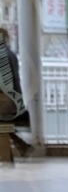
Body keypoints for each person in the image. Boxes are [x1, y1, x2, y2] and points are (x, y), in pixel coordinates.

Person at [0, 28, 33, 158]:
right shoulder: (10, 53)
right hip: (13, 98)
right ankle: (21, 146)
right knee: (3, 127)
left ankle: (11, 154)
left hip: (4, 99)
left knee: (3, 127)